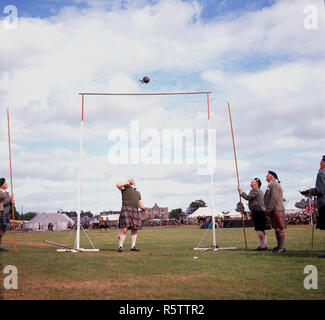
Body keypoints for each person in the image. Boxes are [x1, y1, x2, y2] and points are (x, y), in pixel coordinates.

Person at [300, 155, 325, 258]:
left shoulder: (321, 174)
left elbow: (320, 190)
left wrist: (310, 191)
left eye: (321, 162)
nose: (320, 163)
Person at [238, 178, 270, 251]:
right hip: (260, 211)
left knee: (259, 229)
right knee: (262, 230)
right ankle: (264, 246)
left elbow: (247, 197)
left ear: (256, 184)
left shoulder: (255, 190)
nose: (251, 181)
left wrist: (241, 191)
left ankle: (262, 246)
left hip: (258, 212)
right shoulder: (258, 190)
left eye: (253, 181)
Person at [116, 179, 146, 252]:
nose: (132, 181)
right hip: (126, 208)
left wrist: (143, 209)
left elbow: (140, 204)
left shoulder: (138, 193)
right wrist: (127, 182)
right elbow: (117, 185)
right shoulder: (124, 188)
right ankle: (120, 246)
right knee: (125, 228)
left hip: (135, 210)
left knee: (134, 229)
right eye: (130, 180)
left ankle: (133, 246)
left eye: (133, 180)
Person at [264, 171, 286, 253]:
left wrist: (268, 209)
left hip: (277, 209)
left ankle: (282, 247)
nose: (266, 176)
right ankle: (279, 246)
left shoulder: (274, 184)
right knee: (277, 228)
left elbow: (274, 198)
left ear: (271, 176)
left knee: (280, 228)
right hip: (275, 209)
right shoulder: (272, 184)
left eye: (267, 175)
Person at [0, 178, 15, 252]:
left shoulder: (7, 193)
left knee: (4, 230)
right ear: (1, 184)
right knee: (1, 230)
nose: (6, 183)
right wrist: (9, 198)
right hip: (2, 213)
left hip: (7, 214)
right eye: (5, 183)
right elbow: (1, 203)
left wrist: (12, 203)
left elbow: (7, 202)